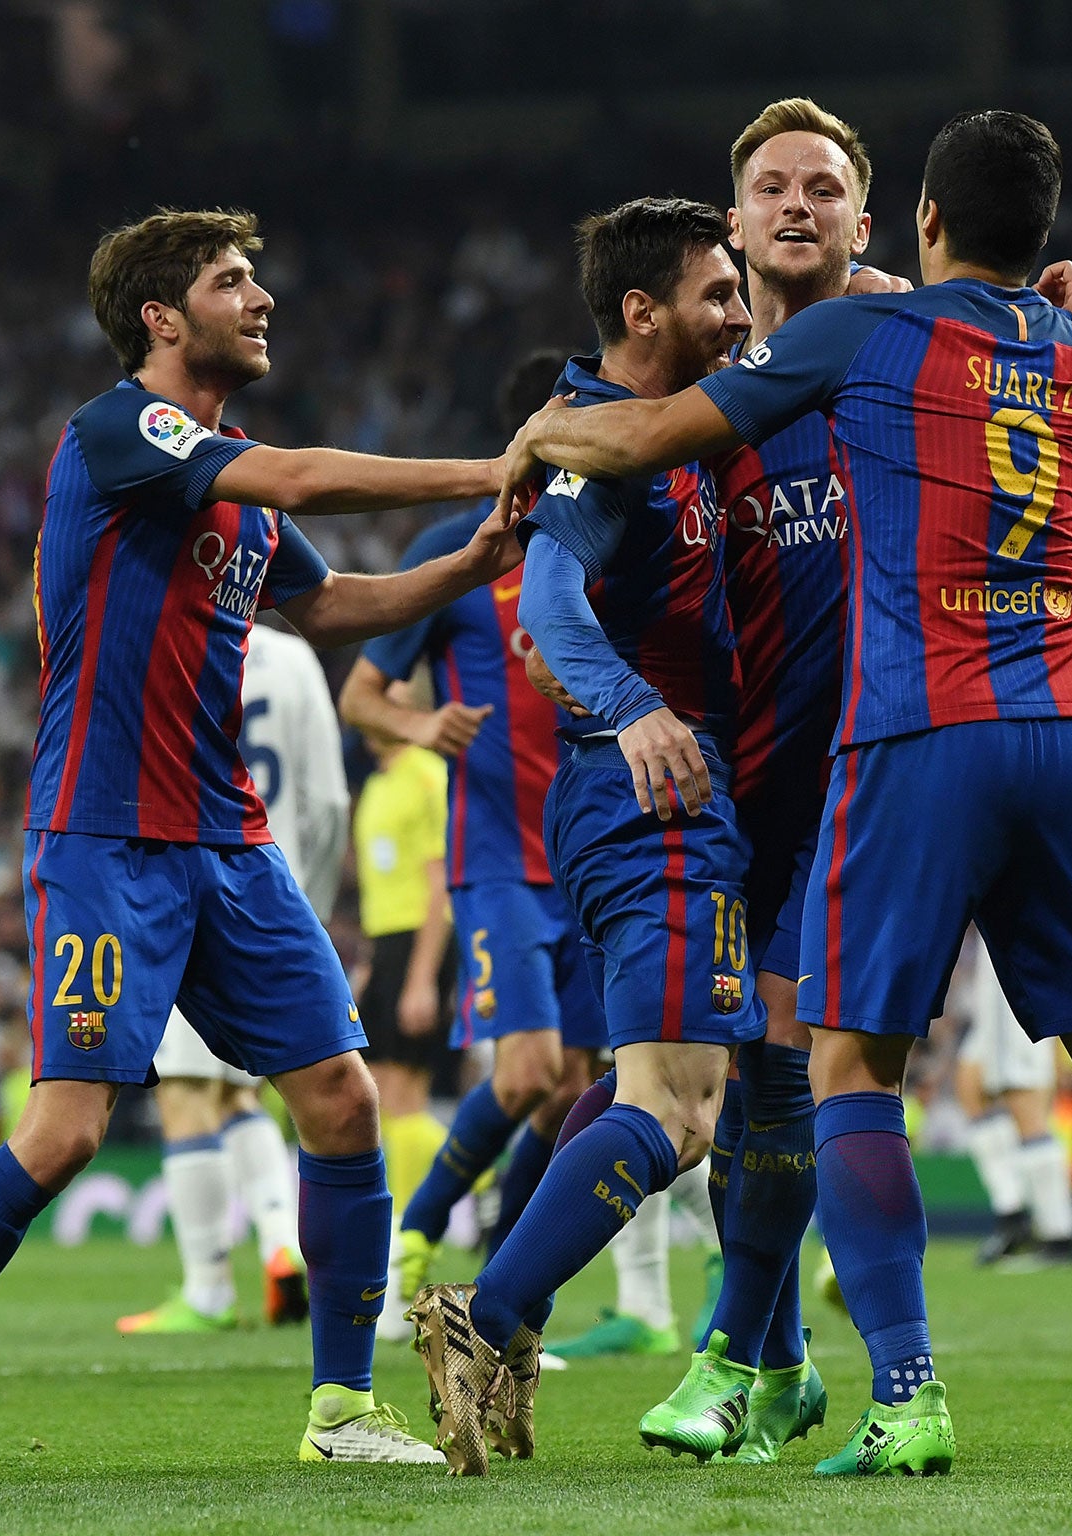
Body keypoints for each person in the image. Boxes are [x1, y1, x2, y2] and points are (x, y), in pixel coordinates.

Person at [498, 110, 1072, 1477]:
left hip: (899, 749)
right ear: (732, 221)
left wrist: (542, 433)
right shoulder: (1052, 346)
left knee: (831, 1070)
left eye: (826, 188)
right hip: (1013, 735)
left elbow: (637, 440)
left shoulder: (869, 338)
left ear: (892, 220)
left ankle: (851, 1383)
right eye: (771, 188)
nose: (797, 207)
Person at [0, 207, 525, 1479]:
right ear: (160, 315)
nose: (261, 300)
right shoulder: (121, 430)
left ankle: (339, 1410)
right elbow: (295, 479)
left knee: (343, 1101)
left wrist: (476, 559)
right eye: (233, 281)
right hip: (104, 836)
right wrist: (487, 469)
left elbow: (335, 606)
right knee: (69, 1129)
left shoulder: (228, 479)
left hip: (226, 843)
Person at [409, 196, 762, 1477]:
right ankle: (482, 1317)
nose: (737, 313)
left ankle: (517, 1311)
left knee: (642, 1093)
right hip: (648, 796)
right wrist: (635, 714)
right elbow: (547, 607)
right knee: (676, 1111)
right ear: (640, 312)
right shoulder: (595, 451)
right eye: (716, 293)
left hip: (667, 796)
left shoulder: (667, 429)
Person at [338, 350, 605, 1341]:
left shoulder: (606, 540)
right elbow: (361, 694)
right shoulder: (460, 547)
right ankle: (413, 1235)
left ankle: (500, 1302)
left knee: (571, 1095)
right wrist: (418, 727)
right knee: (530, 1072)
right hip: (495, 857)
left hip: (591, 854)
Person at [116, 620, 349, 1335]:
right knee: (242, 1094)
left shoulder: (172, 642)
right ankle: (281, 1241)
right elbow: (330, 803)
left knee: (187, 1093)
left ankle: (208, 1289)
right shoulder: (297, 655)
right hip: (276, 893)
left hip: (192, 888)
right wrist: (309, 906)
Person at [349, 699, 455, 1213]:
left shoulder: (428, 774)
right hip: (387, 945)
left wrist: (422, 978)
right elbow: (379, 885)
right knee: (380, 1091)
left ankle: (457, 1186)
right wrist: (371, 964)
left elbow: (440, 884)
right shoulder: (377, 782)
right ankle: (463, 1183)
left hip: (421, 940)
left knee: (402, 1093)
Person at [956, 928, 1072, 1268]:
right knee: (970, 1084)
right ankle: (1012, 1214)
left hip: (1013, 944)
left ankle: (1060, 1235)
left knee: (1022, 1094)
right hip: (995, 952)